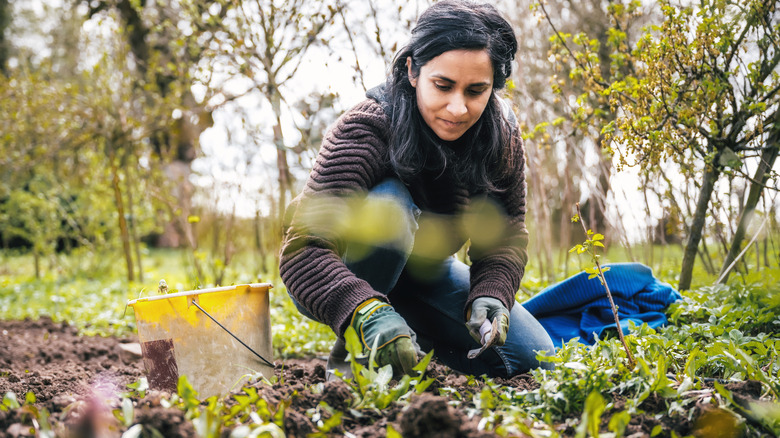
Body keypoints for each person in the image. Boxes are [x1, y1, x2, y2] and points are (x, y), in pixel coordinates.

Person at [279, 0, 555, 379]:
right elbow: (303, 250)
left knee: (530, 355)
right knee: (390, 208)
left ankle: (406, 347)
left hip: (425, 273)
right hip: (334, 270)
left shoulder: (501, 137)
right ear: (412, 70)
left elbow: (505, 235)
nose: (457, 108)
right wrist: (365, 310)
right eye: (442, 85)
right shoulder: (368, 127)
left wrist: (492, 292)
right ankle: (353, 363)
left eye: (476, 91)